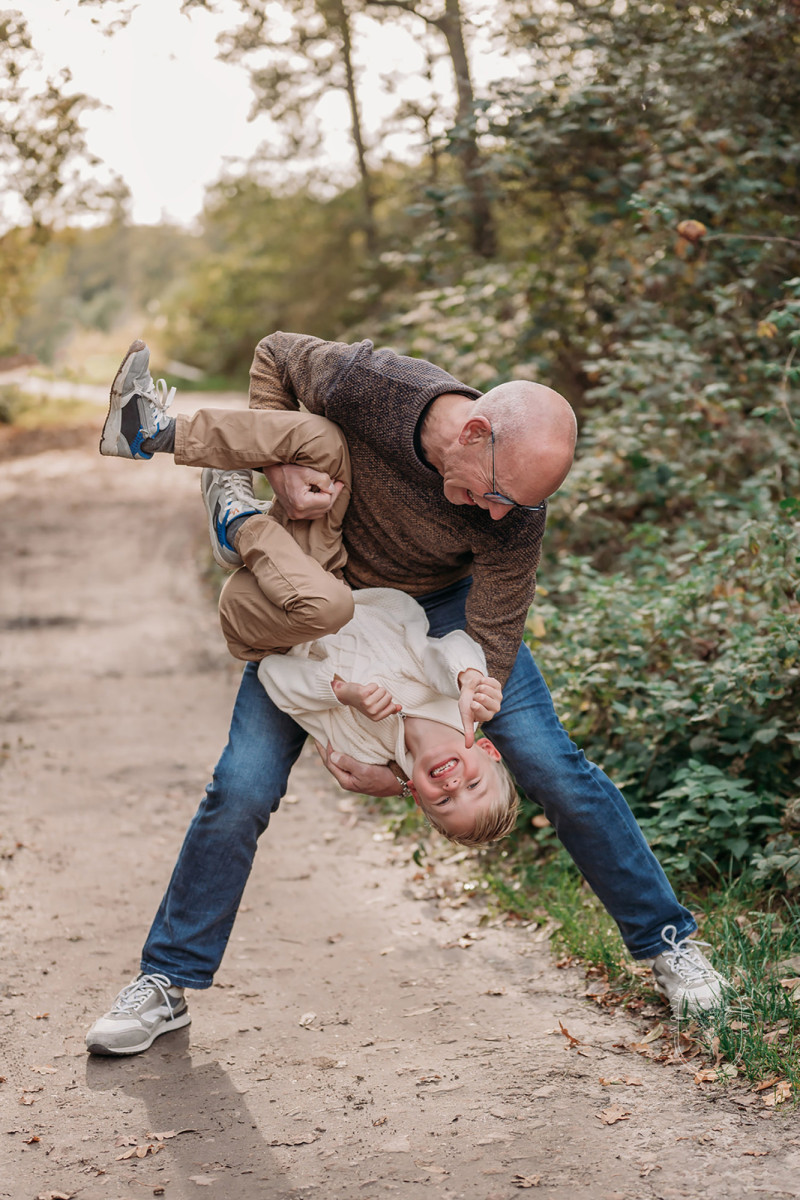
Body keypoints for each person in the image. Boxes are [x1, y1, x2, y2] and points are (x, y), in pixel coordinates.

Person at [86, 334, 728, 1056]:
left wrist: (417, 759)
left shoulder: (515, 507)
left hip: (440, 620)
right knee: (240, 786)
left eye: (512, 506)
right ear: (474, 432)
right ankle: (165, 982)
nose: (496, 515)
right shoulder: (372, 385)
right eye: (493, 493)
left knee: (552, 765)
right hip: (323, 603)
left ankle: (669, 943)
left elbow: (489, 631)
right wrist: (280, 471)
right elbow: (271, 354)